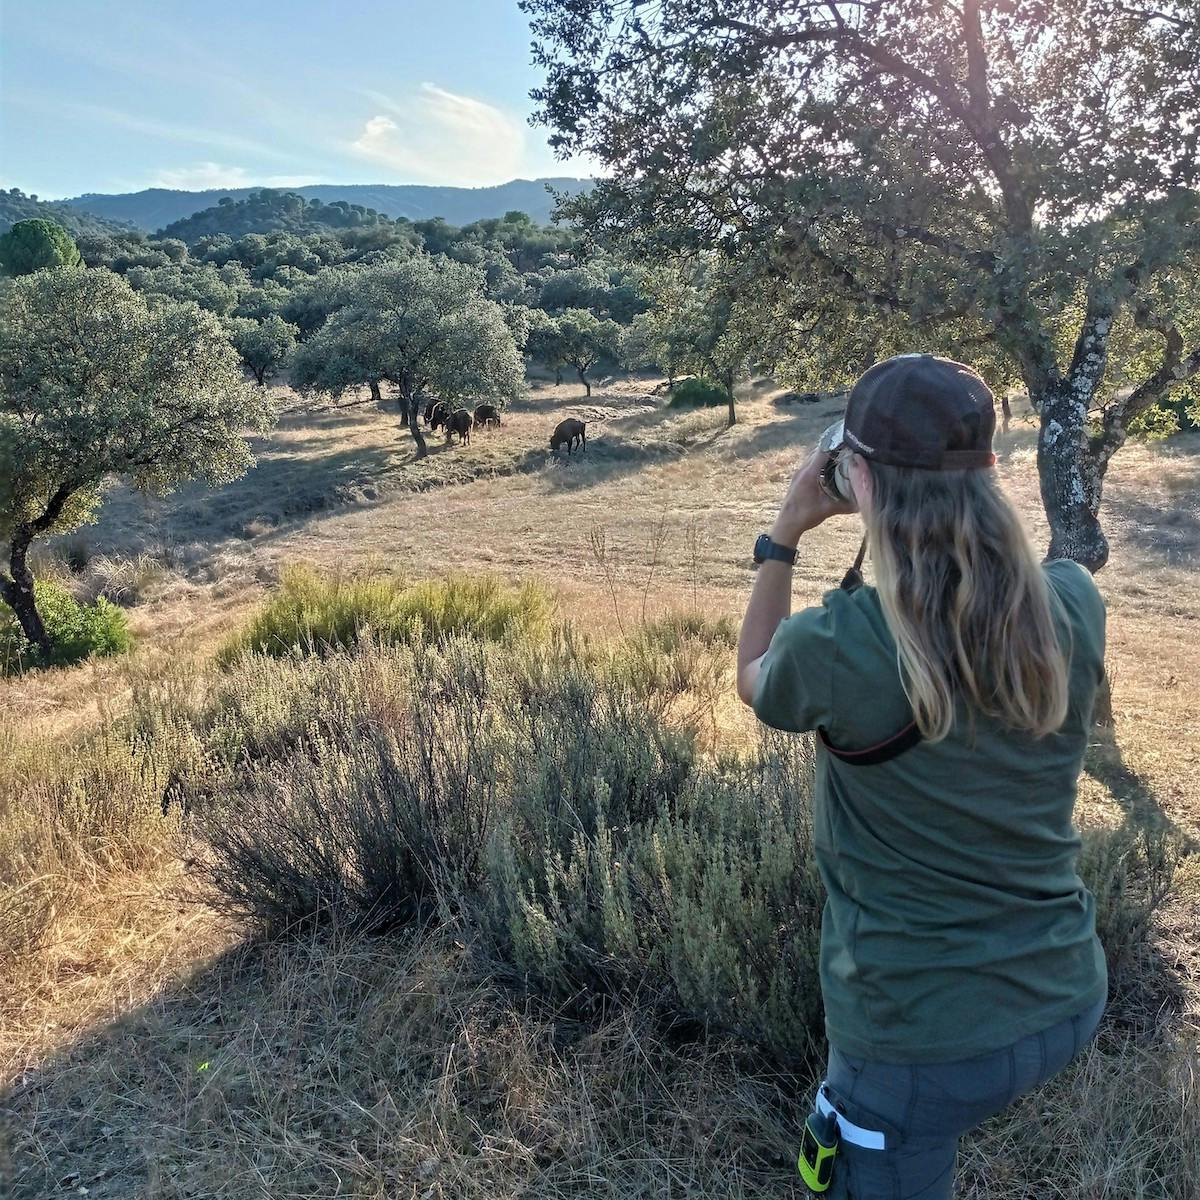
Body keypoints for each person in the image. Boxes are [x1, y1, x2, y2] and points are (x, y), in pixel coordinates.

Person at [736, 354, 1107, 1199]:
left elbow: (754, 670)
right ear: (991, 475)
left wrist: (788, 528)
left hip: (916, 1043)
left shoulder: (838, 649)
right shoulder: (1075, 603)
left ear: (858, 479)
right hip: (1066, 995)